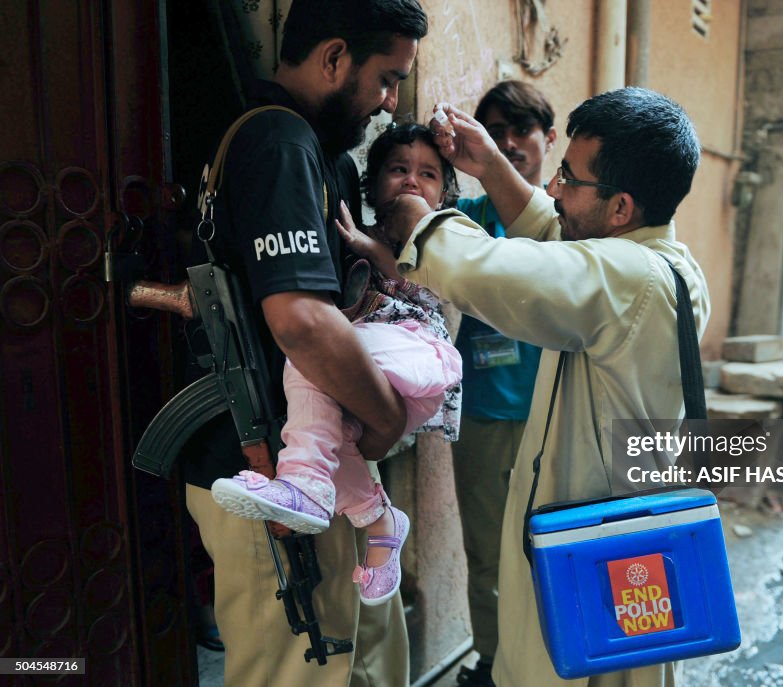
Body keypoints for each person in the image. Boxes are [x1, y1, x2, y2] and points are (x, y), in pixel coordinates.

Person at [380, 87, 710, 686]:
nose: (554, 188)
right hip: (617, 537)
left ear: (620, 208)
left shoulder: (627, 280)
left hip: (595, 556)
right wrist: (493, 167)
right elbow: (555, 238)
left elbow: (499, 274)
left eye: (569, 177)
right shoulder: (665, 264)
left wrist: (421, 226)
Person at [180, 1, 428, 684]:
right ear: (334, 58)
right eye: (385, 78)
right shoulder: (278, 143)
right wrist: (386, 417)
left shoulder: (315, 154)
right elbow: (302, 320)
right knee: (297, 670)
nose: (389, 102)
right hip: (270, 474)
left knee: (367, 655)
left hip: (322, 464)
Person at [210, 123, 463, 606]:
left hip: (419, 352)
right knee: (331, 425)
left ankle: (303, 483)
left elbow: (434, 289)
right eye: (398, 169)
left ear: (446, 191)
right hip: (380, 359)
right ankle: (379, 519)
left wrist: (377, 254)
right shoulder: (355, 226)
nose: (412, 181)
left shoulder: (443, 237)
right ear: (371, 182)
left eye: (428, 174)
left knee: (314, 354)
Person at [448, 80, 554, 687]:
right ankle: (492, 663)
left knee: (547, 550)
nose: (511, 144)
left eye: (523, 131)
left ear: (549, 139)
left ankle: (547, 661)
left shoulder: (569, 226)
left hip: (556, 417)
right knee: (488, 553)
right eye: (498, 131)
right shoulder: (464, 220)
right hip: (485, 414)